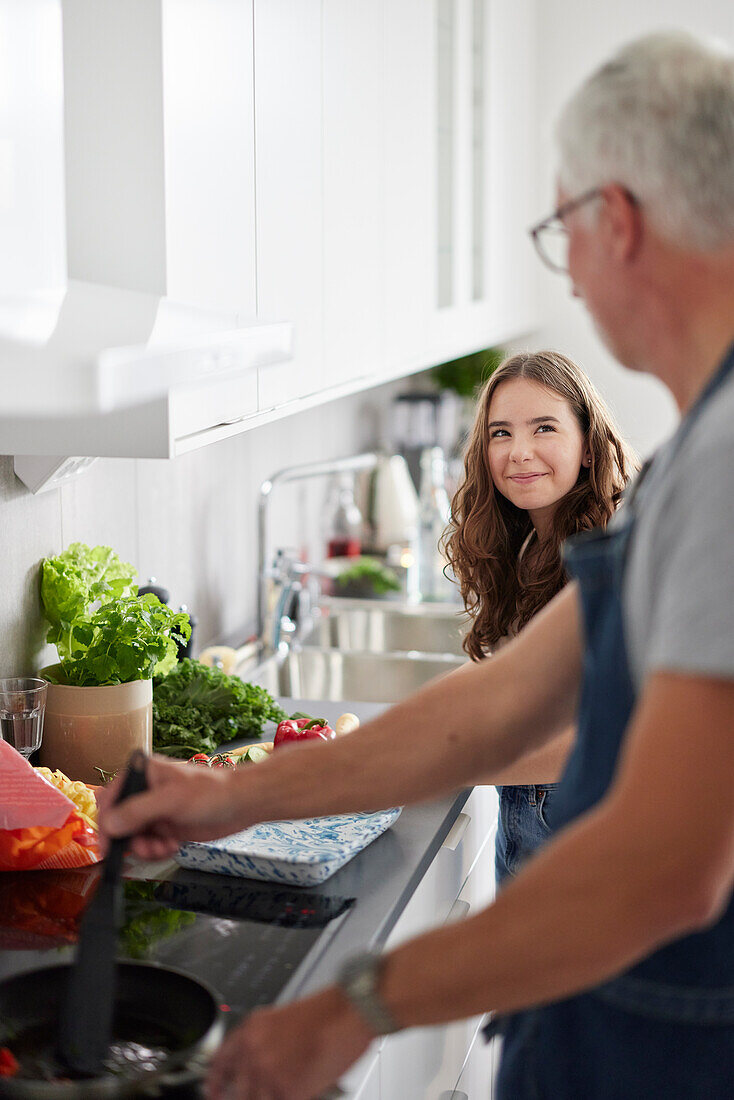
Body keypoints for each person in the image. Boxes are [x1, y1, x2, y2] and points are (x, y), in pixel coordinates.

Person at [101, 30, 734, 1099]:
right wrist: (230, 793)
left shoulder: (720, 469)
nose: (569, 273)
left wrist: (354, 1006)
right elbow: (498, 701)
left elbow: (665, 866)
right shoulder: (692, 459)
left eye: (558, 230)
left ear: (613, 221)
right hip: (608, 1022)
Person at [443, 349, 635, 884]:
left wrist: (436, 766)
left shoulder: (607, 554)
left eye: (544, 427)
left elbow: (599, 735)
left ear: (589, 445)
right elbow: (507, 671)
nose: (519, 452)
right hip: (530, 823)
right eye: (500, 433)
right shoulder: (534, 543)